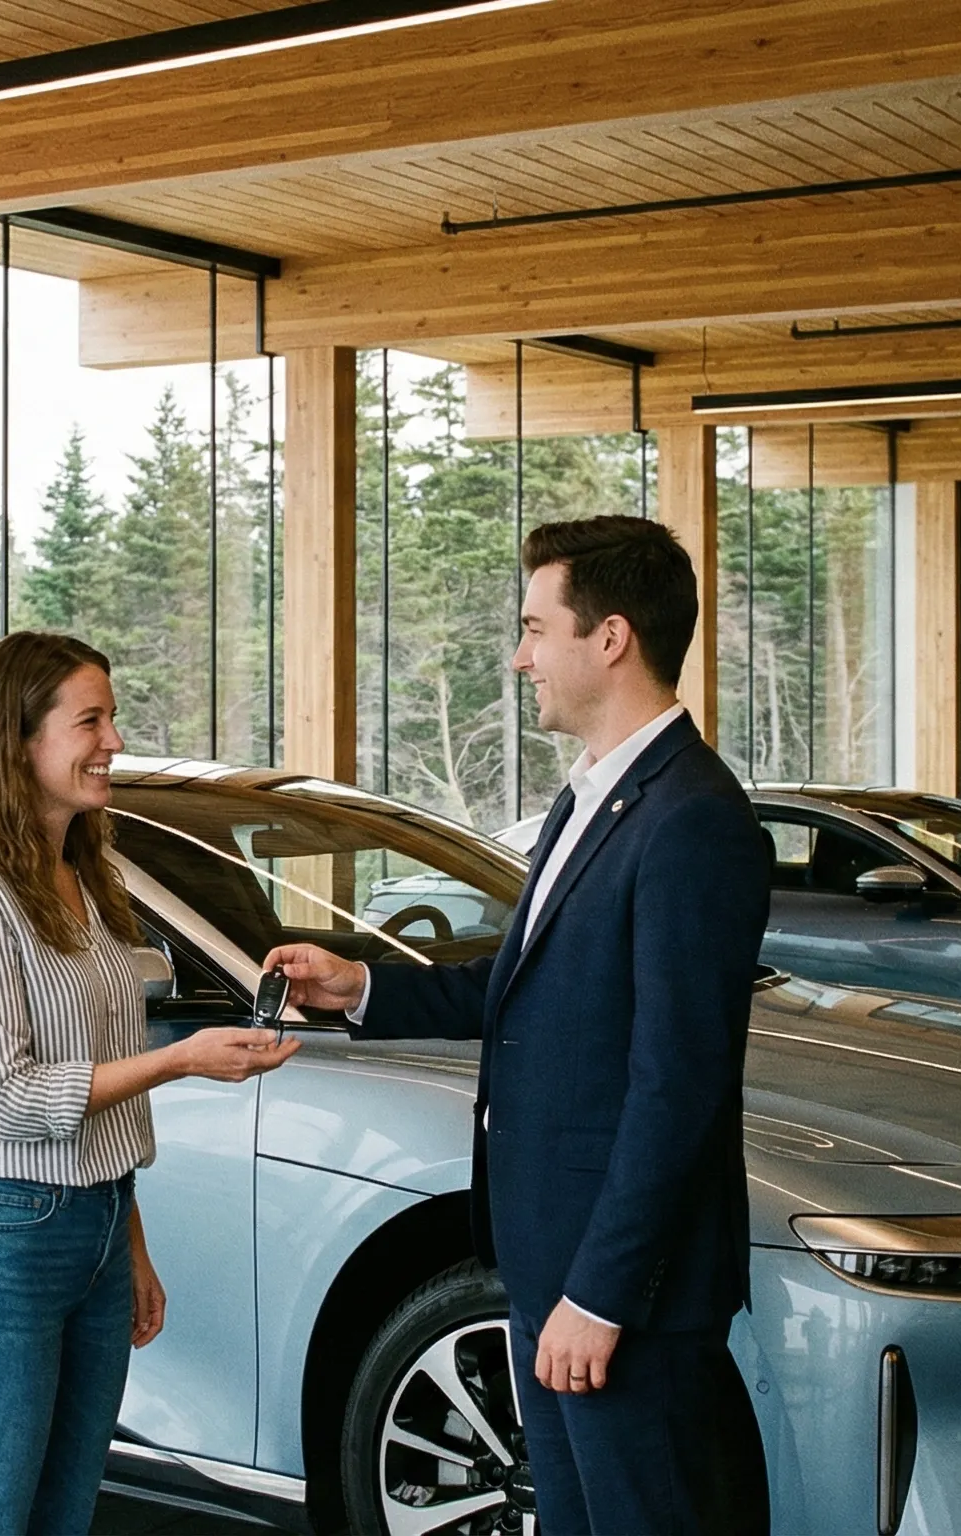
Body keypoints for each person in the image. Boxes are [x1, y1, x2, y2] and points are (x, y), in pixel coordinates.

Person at [268, 516, 771, 1535]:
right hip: (545, 1265)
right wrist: (361, 988)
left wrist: (602, 1295)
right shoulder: (592, 798)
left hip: (614, 1294)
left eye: (535, 628)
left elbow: (677, 1086)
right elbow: (530, 990)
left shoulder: (693, 820)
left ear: (610, 638)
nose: (518, 655)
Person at [0, 630, 299, 1536]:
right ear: (19, 740)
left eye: (110, 717)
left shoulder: (87, 874)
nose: (114, 739)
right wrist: (180, 1057)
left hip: (93, 1223)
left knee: (63, 1517)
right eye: (91, 720)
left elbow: (95, 1108)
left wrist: (130, 1241)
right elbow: (9, 1098)